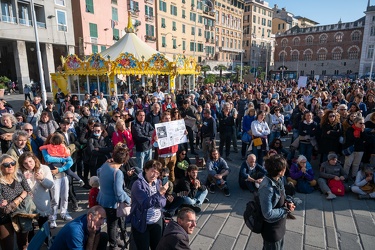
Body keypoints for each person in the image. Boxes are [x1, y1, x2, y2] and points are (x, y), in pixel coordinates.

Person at [97, 143, 131, 249]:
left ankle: (115, 240)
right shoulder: (118, 173)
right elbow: (119, 194)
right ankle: (113, 245)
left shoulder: (106, 164)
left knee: (112, 224)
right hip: (112, 203)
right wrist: (128, 199)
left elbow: (98, 172)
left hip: (102, 198)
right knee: (112, 225)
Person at [129, 160, 168, 250]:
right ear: (146, 170)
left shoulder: (157, 182)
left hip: (156, 220)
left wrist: (161, 195)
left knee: (157, 247)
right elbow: (145, 203)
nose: (154, 175)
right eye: (152, 171)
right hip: (142, 221)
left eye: (157, 173)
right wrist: (159, 194)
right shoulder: (138, 184)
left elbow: (163, 203)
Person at [259, 154, 295, 250]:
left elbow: (282, 195)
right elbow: (268, 213)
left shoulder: (279, 179)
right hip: (272, 230)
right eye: (284, 168)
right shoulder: (267, 188)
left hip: (279, 226)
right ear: (279, 171)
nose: (285, 169)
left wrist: (288, 202)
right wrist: (285, 210)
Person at [18, 152, 54, 241]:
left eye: (30, 161)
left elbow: (50, 185)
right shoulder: (20, 172)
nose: (29, 165)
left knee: (43, 225)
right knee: (29, 227)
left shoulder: (44, 168)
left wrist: (42, 179)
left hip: (41, 202)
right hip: (27, 205)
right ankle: (32, 244)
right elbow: (17, 189)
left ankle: (48, 241)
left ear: (34, 159)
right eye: (25, 163)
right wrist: (24, 180)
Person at [0, 154, 33, 250]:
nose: (10, 166)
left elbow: (29, 193)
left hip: (21, 215)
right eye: (6, 164)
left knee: (23, 244)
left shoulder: (19, 175)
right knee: (8, 246)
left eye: (12, 163)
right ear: (1, 167)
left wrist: (11, 203)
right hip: (4, 219)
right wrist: (21, 196)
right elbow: (5, 210)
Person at [153, 112, 179, 182]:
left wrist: (184, 133)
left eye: (169, 118)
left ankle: (171, 187)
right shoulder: (158, 129)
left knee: (172, 171)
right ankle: (162, 188)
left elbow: (180, 138)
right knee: (163, 173)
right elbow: (154, 144)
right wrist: (156, 141)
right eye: (166, 118)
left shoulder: (174, 128)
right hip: (163, 156)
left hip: (173, 154)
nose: (168, 120)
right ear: (163, 119)